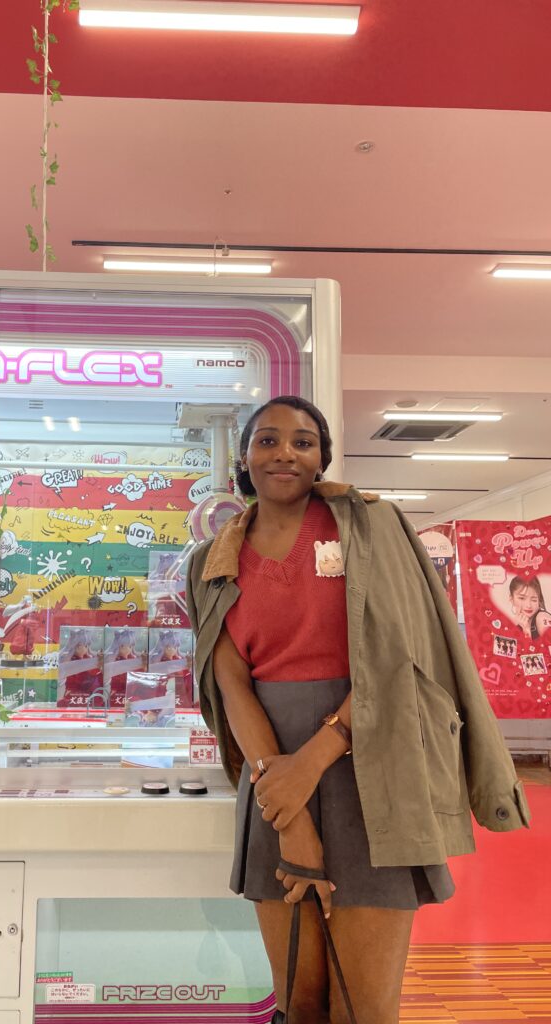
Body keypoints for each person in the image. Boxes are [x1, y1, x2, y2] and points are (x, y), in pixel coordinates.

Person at [185, 396, 530, 1024]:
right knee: (300, 1002)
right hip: (272, 776)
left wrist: (314, 760)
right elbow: (231, 681)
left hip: (373, 765)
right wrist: (285, 806)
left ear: (322, 458)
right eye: (266, 440)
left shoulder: (374, 529)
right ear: (243, 457)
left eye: (302, 441)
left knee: (361, 1006)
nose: (284, 452)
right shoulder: (209, 561)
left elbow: (401, 653)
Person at [508, 575, 551, 639]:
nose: (528, 605)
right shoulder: (514, 622)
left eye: (534, 600)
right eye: (522, 598)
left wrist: (526, 629)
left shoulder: (542, 618)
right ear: (512, 599)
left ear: (539, 600)